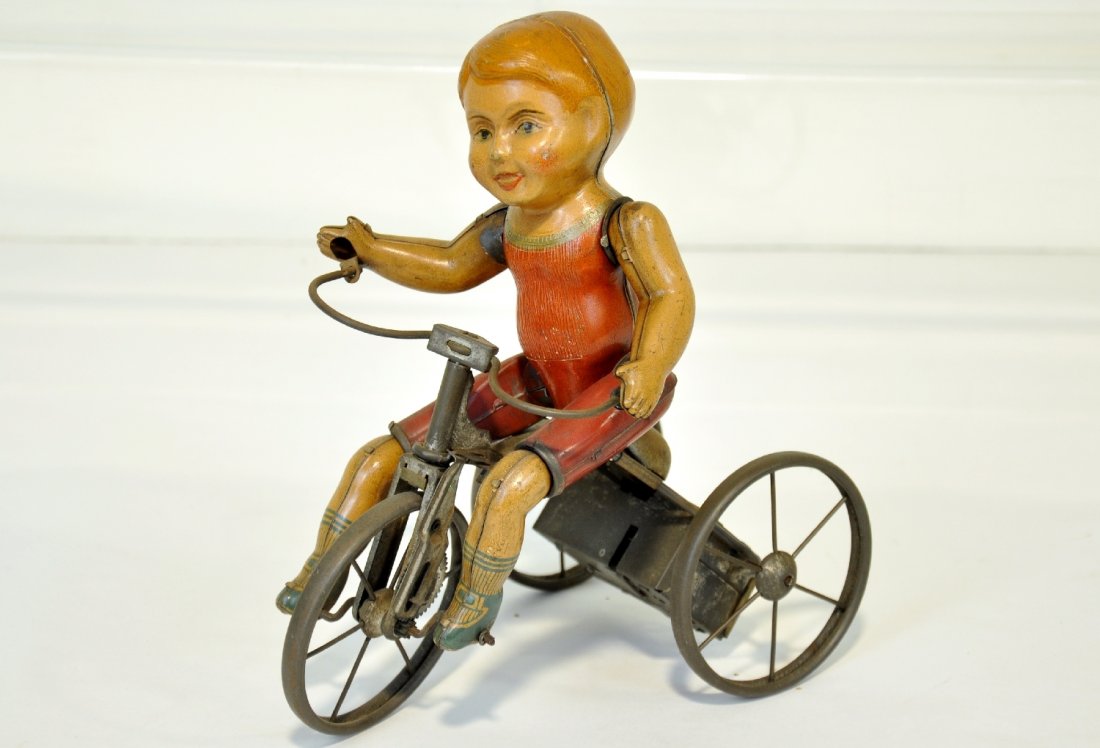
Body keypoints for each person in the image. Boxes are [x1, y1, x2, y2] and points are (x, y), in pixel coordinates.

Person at [277, 11, 695, 651]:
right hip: (539, 377)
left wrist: (649, 364)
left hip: (613, 390)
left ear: (594, 122)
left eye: (526, 125)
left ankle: (475, 599)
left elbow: (670, 295)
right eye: (482, 131)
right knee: (378, 455)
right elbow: (451, 265)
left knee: (507, 483)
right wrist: (372, 249)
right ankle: (322, 572)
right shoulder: (510, 223)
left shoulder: (624, 222)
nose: (499, 151)